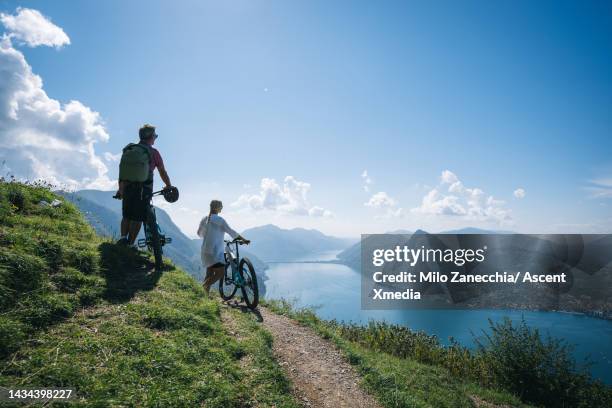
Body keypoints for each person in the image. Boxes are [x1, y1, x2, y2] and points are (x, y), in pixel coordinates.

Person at [117, 124, 173, 245]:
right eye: (155, 136)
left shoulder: (130, 150)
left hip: (126, 186)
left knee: (126, 214)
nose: (155, 138)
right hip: (143, 189)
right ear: (150, 137)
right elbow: (162, 171)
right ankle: (130, 244)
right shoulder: (153, 153)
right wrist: (168, 185)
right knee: (137, 217)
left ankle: (122, 239)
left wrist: (120, 188)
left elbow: (123, 170)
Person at [197, 200, 250, 295]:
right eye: (221, 207)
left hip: (205, 251)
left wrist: (210, 234)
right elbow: (231, 232)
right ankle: (201, 289)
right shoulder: (220, 220)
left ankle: (204, 297)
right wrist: (244, 240)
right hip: (215, 252)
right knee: (220, 273)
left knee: (209, 274)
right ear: (217, 208)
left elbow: (199, 234)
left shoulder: (204, 219)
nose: (222, 208)